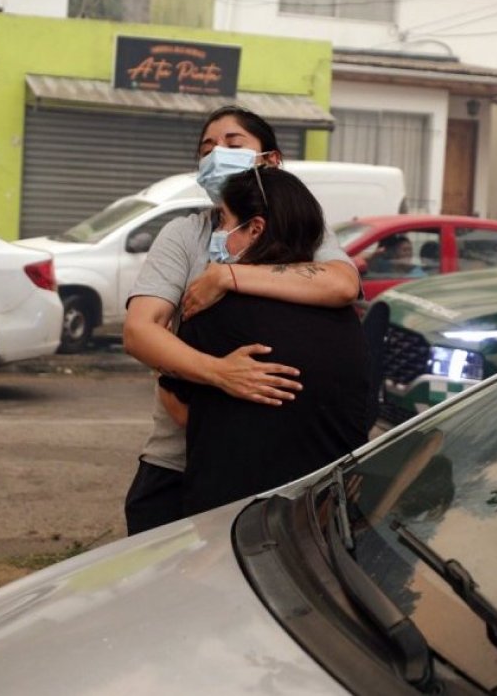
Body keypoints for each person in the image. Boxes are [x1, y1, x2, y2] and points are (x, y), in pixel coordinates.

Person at [120, 106, 362, 535]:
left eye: (233, 144)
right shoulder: (184, 233)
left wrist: (226, 275)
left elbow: (341, 284)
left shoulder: (305, 231)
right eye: (207, 148)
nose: (216, 155)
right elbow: (141, 331)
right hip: (180, 460)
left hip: (284, 467)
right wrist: (219, 373)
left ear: (269, 160)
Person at [159, 167, 373, 517]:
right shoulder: (347, 318)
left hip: (234, 522)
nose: (220, 232)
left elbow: (176, 402)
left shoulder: (215, 312)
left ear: (255, 228)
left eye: (225, 221)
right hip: (324, 518)